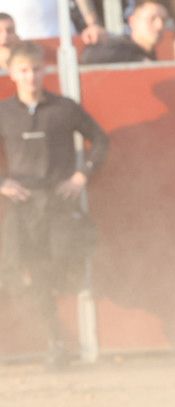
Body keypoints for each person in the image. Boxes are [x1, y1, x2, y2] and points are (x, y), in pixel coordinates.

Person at [0, 43, 108, 366]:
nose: (30, 76)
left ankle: (59, 337)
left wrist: (81, 175)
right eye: (23, 70)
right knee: (29, 273)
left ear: (43, 71)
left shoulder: (64, 108)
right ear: (12, 73)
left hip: (58, 203)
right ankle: (55, 342)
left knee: (61, 261)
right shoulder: (3, 112)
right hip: (25, 204)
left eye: (35, 69)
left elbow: (100, 139)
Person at [82, 0, 166, 63]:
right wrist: (138, 61)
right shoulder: (118, 46)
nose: (160, 26)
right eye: (152, 19)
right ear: (133, 21)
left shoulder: (152, 55)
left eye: (164, 20)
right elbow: (90, 57)